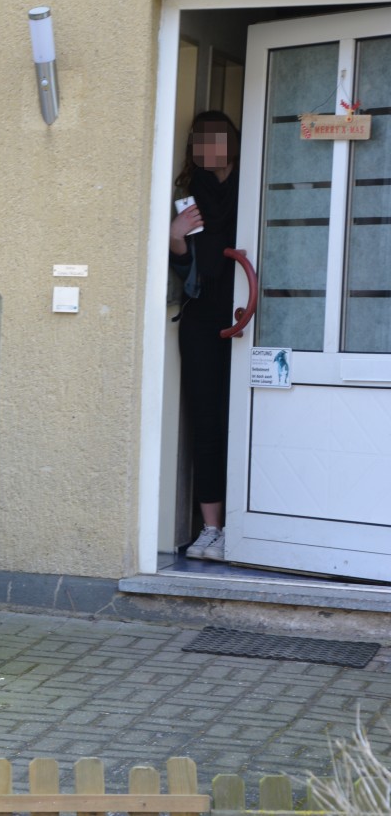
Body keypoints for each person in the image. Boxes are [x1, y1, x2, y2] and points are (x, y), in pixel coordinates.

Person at [169, 110, 240, 562]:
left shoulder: (255, 184)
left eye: (215, 138)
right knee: (207, 421)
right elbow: (185, 266)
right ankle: (212, 529)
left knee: (255, 417)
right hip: (202, 319)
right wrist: (175, 238)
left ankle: (257, 523)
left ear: (232, 142)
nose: (207, 147)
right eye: (199, 140)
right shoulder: (189, 196)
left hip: (252, 312)